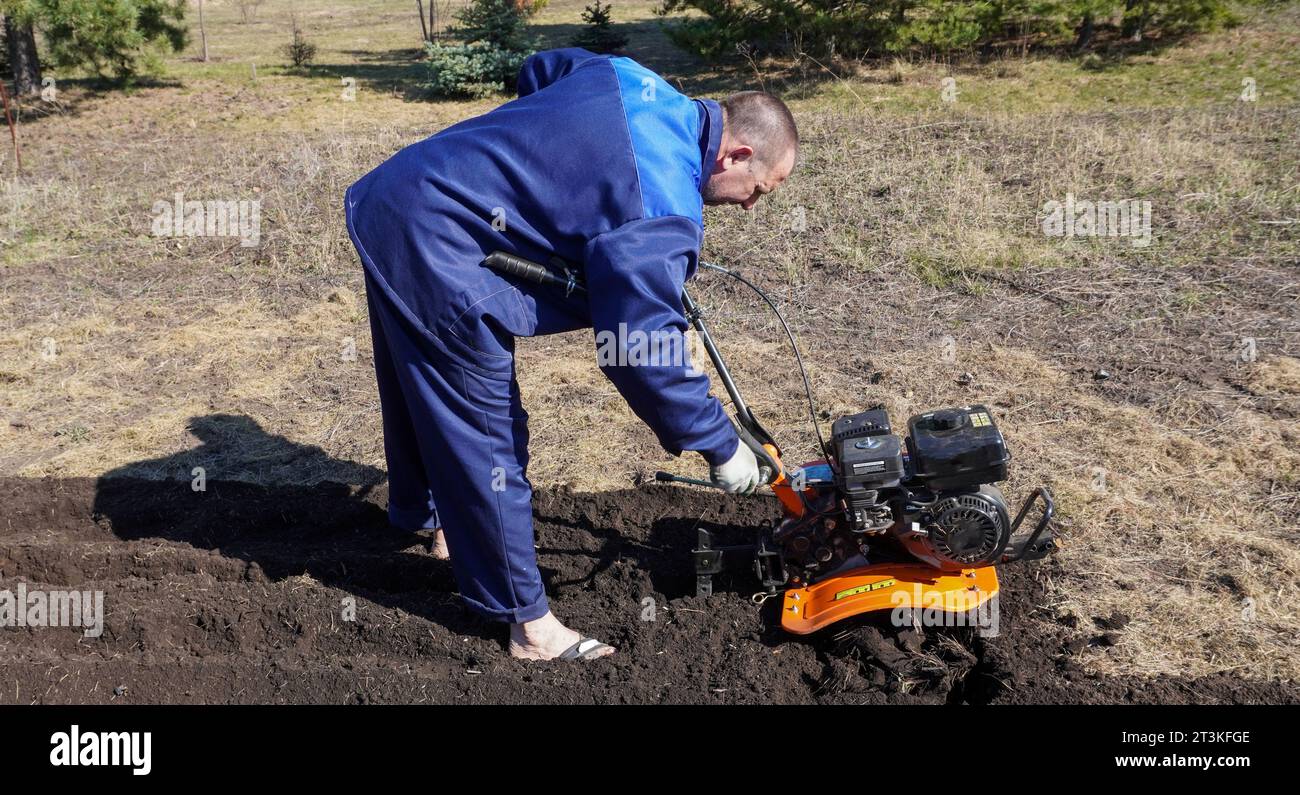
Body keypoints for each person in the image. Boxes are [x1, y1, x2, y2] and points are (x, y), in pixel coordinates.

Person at [345, 48, 798, 661]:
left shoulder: (636, 81)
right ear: (737, 153)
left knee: (418, 381)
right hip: (438, 241)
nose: (748, 205)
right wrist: (717, 442)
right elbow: (638, 350)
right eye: (758, 190)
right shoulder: (662, 205)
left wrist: (537, 170)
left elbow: (542, 68)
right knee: (484, 423)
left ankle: (434, 519)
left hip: (401, 197)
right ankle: (528, 626)